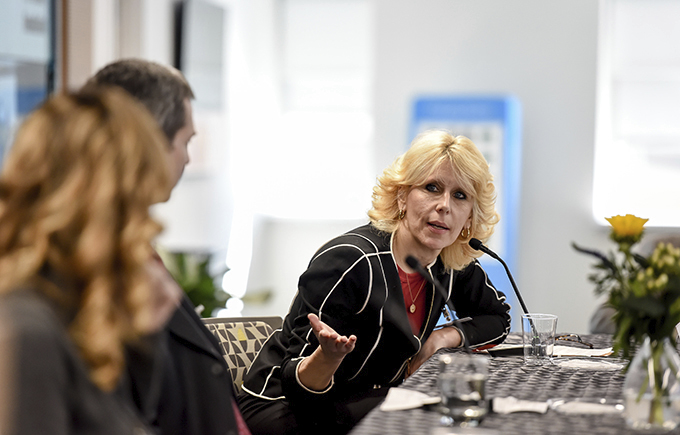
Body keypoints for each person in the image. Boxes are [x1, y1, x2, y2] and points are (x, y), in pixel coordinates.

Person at [238, 130, 512, 435]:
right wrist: (327, 358)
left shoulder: (449, 263)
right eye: (431, 188)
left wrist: (442, 338)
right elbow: (298, 385)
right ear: (402, 196)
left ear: (470, 216)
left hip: (365, 401)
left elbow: (498, 318)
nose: (444, 205)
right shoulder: (350, 261)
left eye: (460, 195)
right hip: (285, 407)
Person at [0, 88, 181, 434]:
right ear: (105, 210)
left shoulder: (70, 313)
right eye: (140, 206)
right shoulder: (29, 329)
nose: (147, 225)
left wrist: (141, 336)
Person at [85, 58, 250, 435]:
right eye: (185, 141)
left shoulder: (131, 245)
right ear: (148, 140)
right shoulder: (97, 261)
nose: (188, 158)